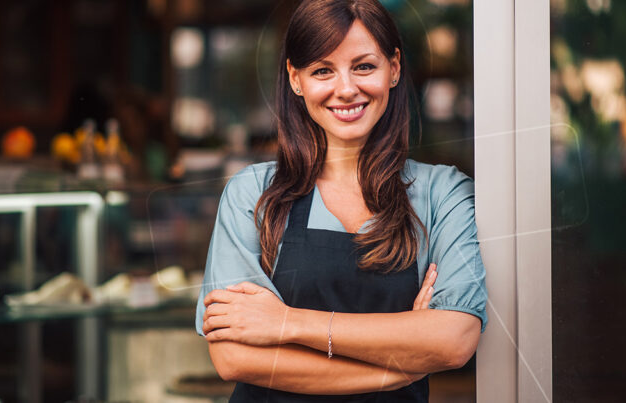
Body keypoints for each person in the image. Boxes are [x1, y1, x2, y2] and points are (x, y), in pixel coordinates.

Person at [195, 0, 487, 401]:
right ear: (296, 79)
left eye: (364, 66)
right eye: (322, 71)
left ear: (394, 68)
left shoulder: (443, 194)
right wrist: (400, 367)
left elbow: (454, 340)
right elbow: (235, 358)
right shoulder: (252, 194)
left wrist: (286, 323)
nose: (346, 88)